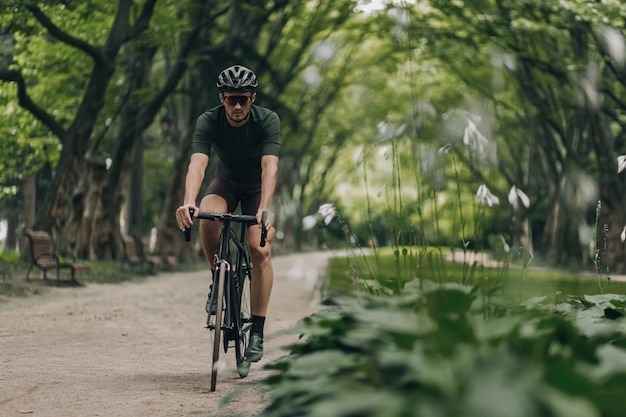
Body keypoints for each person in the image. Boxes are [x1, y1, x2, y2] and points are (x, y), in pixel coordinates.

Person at [175, 64, 280, 370]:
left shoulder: (267, 120)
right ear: (222, 98)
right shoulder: (209, 120)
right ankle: (217, 277)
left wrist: (265, 207)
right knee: (208, 214)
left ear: (253, 98)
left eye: (243, 99)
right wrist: (188, 202)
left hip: (258, 189)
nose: (236, 105)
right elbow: (197, 164)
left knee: (259, 247)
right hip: (227, 183)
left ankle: (257, 333)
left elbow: (270, 167)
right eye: (231, 98)